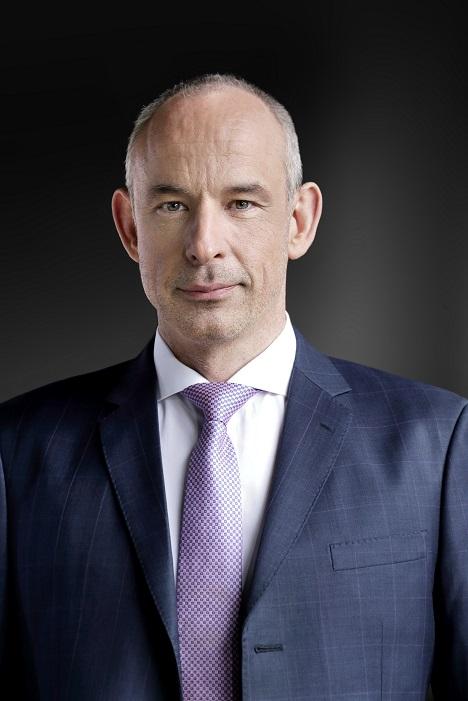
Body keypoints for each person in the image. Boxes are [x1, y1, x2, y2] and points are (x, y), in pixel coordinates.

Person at [0, 73, 466, 701]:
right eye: (172, 205)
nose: (204, 245)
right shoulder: (17, 454)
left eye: (242, 203)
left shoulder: (438, 445)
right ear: (130, 228)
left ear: (299, 220)